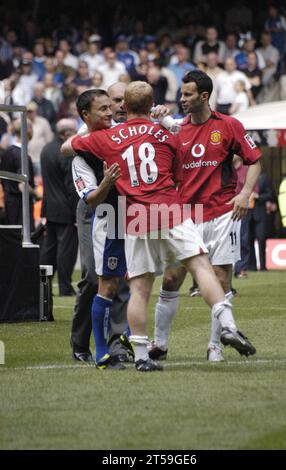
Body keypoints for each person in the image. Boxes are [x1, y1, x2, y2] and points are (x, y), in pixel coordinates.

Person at [62, 81, 256, 372]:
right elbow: (178, 171)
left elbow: (68, 146)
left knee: (139, 288)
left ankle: (142, 356)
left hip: (135, 216)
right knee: (201, 266)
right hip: (169, 210)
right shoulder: (166, 133)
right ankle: (227, 324)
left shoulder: (109, 137)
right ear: (152, 104)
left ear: (123, 107)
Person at [148, 70, 261, 362]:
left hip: (223, 214)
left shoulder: (229, 125)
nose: (181, 99)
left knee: (222, 280)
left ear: (204, 96)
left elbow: (255, 160)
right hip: (185, 216)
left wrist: (245, 193)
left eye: (187, 94)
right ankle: (159, 343)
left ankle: (215, 346)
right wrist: (155, 120)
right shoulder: (177, 129)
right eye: (181, 94)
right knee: (172, 278)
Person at [70, 83, 132, 367]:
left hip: (127, 212)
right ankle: (84, 343)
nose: (113, 111)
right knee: (95, 280)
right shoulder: (82, 149)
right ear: (85, 114)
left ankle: (122, 341)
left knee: (127, 279)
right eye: (105, 107)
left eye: (114, 105)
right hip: (98, 210)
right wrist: (107, 182)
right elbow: (92, 199)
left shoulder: (122, 131)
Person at [40, 119, 79, 296]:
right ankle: (64, 287)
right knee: (66, 251)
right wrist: (76, 212)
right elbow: (71, 186)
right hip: (65, 210)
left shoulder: (46, 149)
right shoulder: (65, 152)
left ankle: (41, 284)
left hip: (50, 208)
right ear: (66, 134)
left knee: (49, 249)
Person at [0, 119, 38, 230]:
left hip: (9, 204)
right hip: (21, 208)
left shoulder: (7, 152)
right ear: (28, 131)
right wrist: (36, 194)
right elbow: (22, 186)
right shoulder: (22, 156)